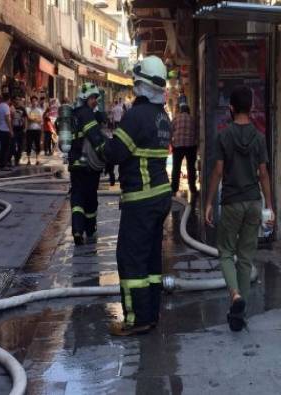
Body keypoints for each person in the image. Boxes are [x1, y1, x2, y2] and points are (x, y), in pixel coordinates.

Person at [85, 56, 171, 336]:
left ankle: (136, 319)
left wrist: (96, 137)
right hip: (160, 196)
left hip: (141, 199)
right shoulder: (163, 117)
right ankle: (152, 313)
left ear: (140, 84)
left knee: (131, 258)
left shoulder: (136, 116)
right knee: (151, 261)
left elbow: (114, 153)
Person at [204, 85, 274, 332]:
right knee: (245, 258)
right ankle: (240, 313)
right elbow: (264, 174)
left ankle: (234, 295)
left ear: (231, 108)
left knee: (225, 252)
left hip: (232, 202)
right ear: (251, 108)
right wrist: (270, 207)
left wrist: (209, 202)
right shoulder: (258, 137)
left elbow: (218, 171)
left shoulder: (224, 136)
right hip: (254, 202)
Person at [69, 83, 103, 246]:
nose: (95, 101)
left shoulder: (72, 115)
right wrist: (108, 156)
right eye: (92, 98)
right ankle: (89, 229)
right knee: (90, 198)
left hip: (74, 163)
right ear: (84, 98)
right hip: (88, 164)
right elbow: (96, 139)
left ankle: (76, 229)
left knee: (77, 197)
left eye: (96, 98)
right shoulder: (87, 114)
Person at [170, 104, 198, 196]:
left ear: (181, 111)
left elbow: (171, 131)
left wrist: (171, 143)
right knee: (191, 167)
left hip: (178, 146)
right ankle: (193, 188)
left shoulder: (176, 118)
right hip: (191, 146)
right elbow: (196, 132)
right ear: (188, 111)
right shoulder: (192, 119)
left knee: (176, 167)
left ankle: (174, 188)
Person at [0, 93, 13, 170]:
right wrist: (11, 130)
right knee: (6, 148)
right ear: (8, 99)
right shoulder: (6, 107)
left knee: (1, 148)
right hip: (5, 129)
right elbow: (7, 119)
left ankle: (0, 163)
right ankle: (4, 164)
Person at [25, 96, 43, 166]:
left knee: (37, 145)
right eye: (33, 101)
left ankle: (37, 160)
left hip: (37, 130)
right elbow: (29, 118)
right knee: (29, 145)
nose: (34, 102)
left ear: (37, 102)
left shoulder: (40, 110)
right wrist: (36, 118)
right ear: (31, 102)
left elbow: (40, 120)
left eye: (35, 101)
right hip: (29, 130)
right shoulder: (28, 109)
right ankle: (28, 160)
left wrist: (33, 119)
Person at [11, 97, 27, 166]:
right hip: (14, 129)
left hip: (21, 129)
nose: (17, 101)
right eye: (16, 100)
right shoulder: (11, 108)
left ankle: (17, 159)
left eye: (18, 100)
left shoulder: (22, 109)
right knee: (13, 145)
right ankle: (15, 157)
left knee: (20, 145)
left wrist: (25, 128)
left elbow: (25, 118)